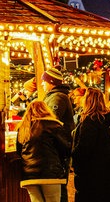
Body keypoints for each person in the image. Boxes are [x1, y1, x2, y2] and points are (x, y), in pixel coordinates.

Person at [72, 87, 110, 202]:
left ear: (88, 101)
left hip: (92, 174)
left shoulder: (90, 122)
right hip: (108, 170)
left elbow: (83, 150)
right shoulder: (107, 120)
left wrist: (73, 155)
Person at [16, 99, 71, 202]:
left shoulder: (23, 127)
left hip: (29, 175)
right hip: (50, 173)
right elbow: (65, 149)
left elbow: (19, 150)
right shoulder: (53, 124)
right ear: (46, 109)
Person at [41, 67, 74, 202]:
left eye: (44, 81)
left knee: (59, 183)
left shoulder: (58, 98)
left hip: (59, 146)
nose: (42, 84)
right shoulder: (54, 96)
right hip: (59, 145)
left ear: (51, 82)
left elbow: (51, 120)